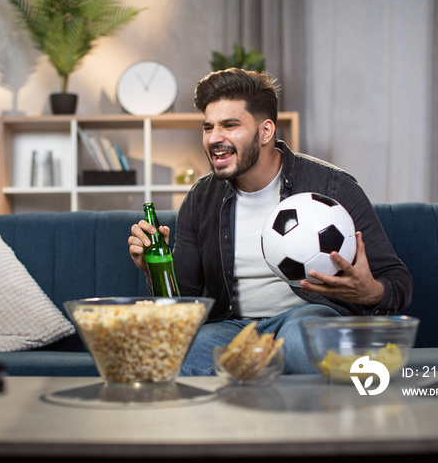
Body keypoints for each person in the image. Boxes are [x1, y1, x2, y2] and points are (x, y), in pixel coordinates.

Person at [128, 68, 413, 376]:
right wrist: (154, 268)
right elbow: (182, 305)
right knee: (178, 353)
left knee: (300, 342)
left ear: (265, 132)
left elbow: (397, 281)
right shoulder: (201, 197)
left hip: (307, 314)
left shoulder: (333, 187)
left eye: (230, 125)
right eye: (208, 127)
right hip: (231, 326)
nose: (214, 139)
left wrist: (369, 292)